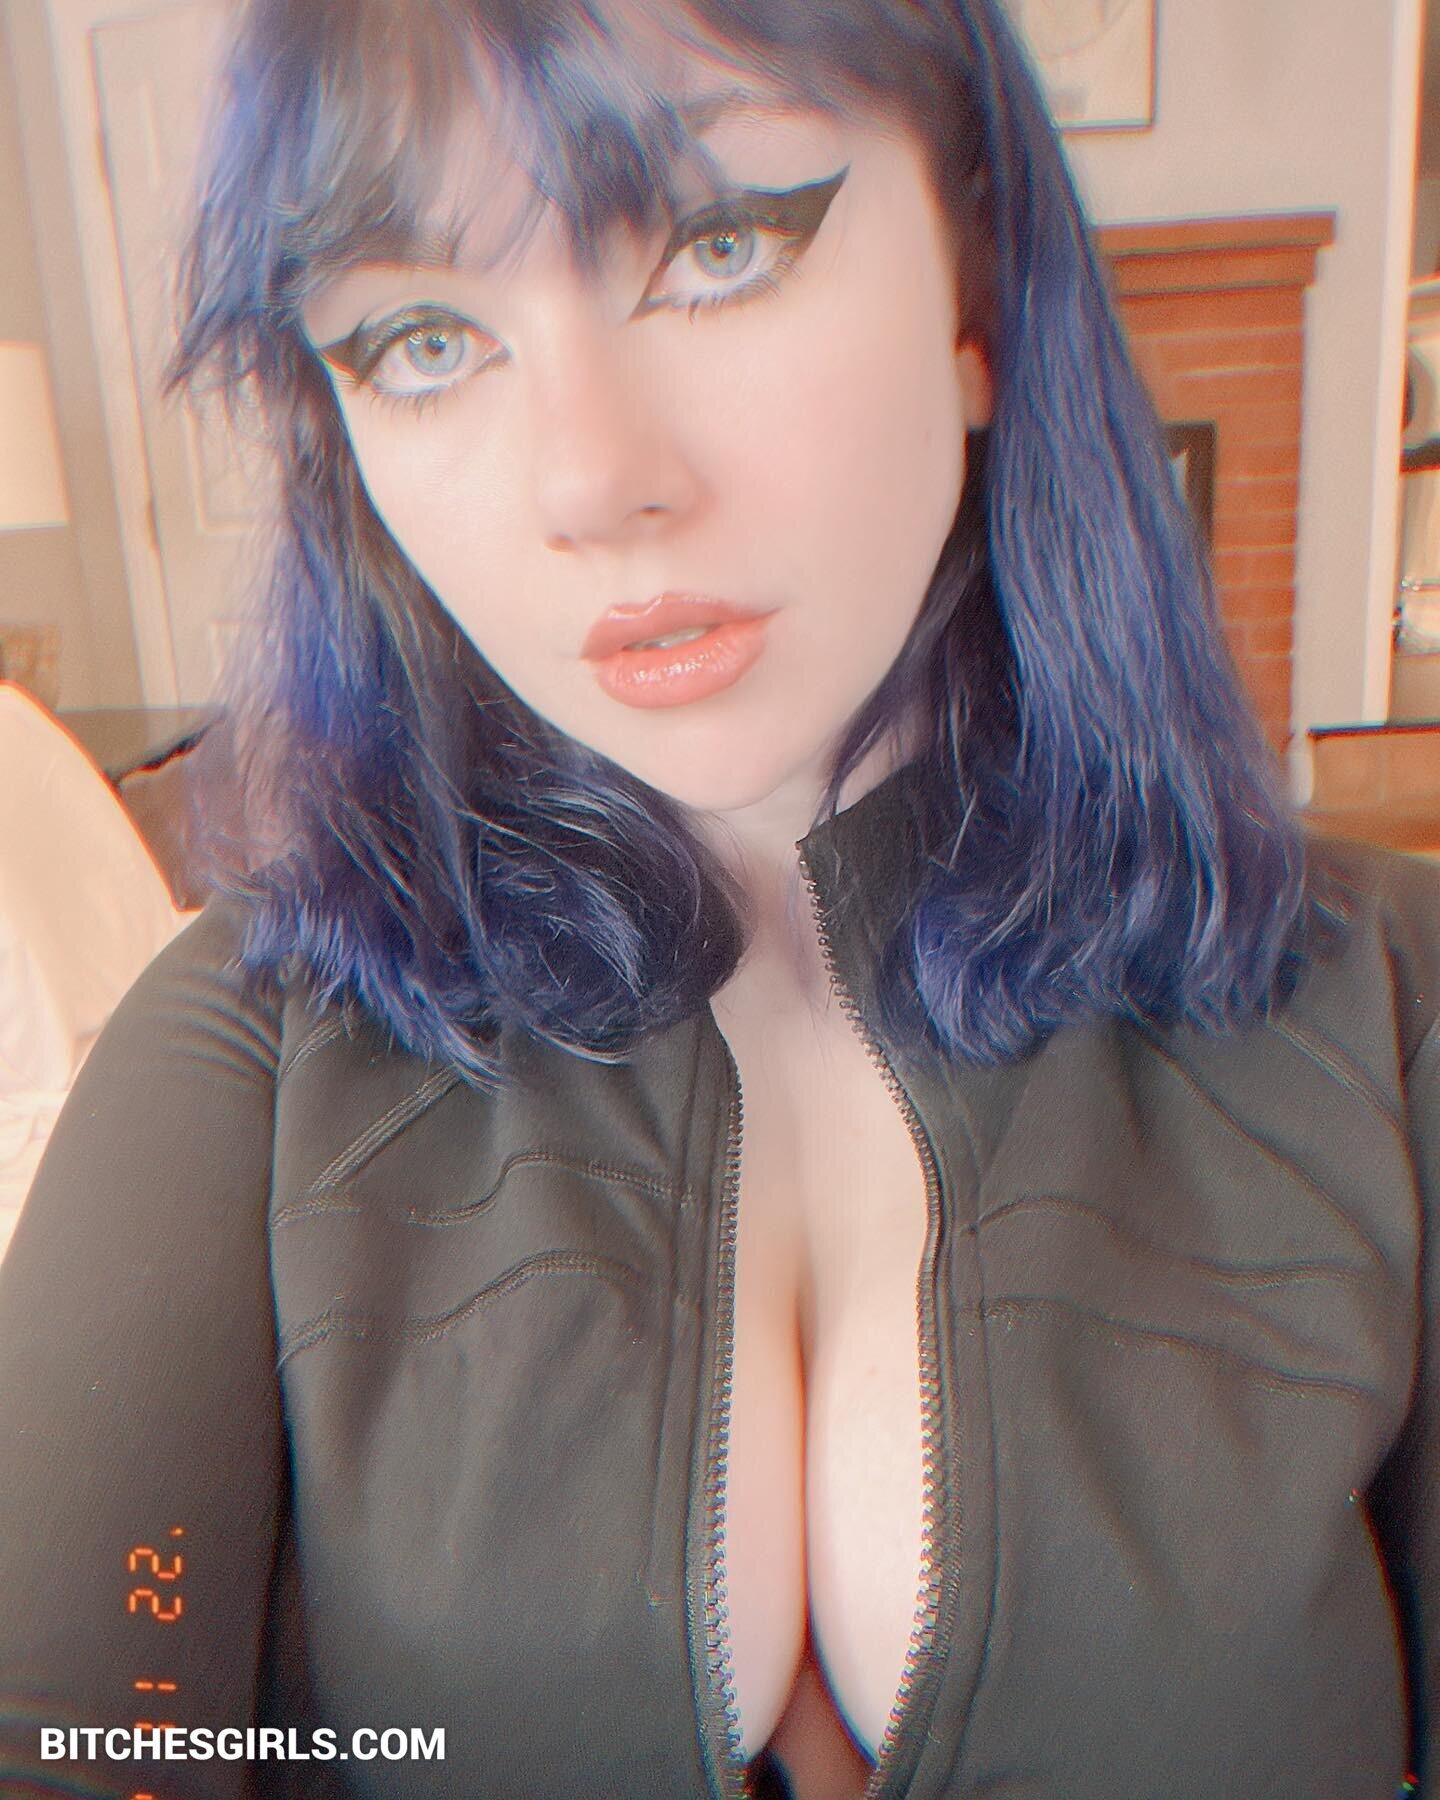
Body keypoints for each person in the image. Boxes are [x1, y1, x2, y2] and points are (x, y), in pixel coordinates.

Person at [1, 0, 1437, 1795]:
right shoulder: (252, 1056)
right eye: (423, 340)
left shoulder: (1393, 1012)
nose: (594, 481)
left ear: (978, 291)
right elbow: (83, 1735)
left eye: (719, 246)